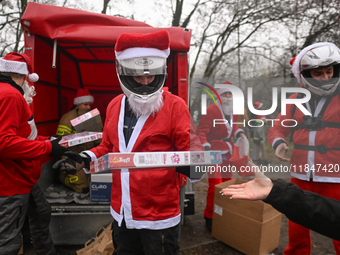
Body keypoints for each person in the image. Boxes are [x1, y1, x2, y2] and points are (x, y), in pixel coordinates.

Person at [53, 30, 204, 255]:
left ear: (160, 72)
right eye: (137, 77)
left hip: (158, 214)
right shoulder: (115, 105)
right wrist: (87, 157)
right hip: (122, 211)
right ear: (124, 74)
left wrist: (195, 164)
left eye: (151, 76)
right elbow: (108, 146)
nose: (145, 83)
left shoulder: (175, 106)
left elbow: (191, 146)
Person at [268, 42, 340, 255]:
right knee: (297, 226)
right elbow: (278, 128)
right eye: (319, 73)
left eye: (330, 71)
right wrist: (279, 143)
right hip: (300, 175)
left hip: (334, 176)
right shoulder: (294, 100)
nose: (326, 77)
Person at [0, 52, 69, 255]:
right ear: (23, 76)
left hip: (24, 178)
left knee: (41, 212)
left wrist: (48, 141)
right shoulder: (10, 96)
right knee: (8, 242)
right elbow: (4, 142)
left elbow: (22, 135)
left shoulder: (10, 94)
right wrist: (47, 148)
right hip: (11, 183)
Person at [220, 167, 340, 241]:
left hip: (331, 175)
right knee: (296, 231)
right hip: (301, 171)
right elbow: (332, 215)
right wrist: (275, 191)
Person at [195, 84, 247, 231]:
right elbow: (201, 132)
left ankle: (224, 213)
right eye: (225, 94)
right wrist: (205, 147)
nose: (228, 97)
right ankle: (210, 217)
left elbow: (234, 127)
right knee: (215, 185)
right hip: (213, 153)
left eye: (231, 95)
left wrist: (240, 133)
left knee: (228, 184)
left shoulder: (233, 111)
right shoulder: (210, 111)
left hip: (228, 152)